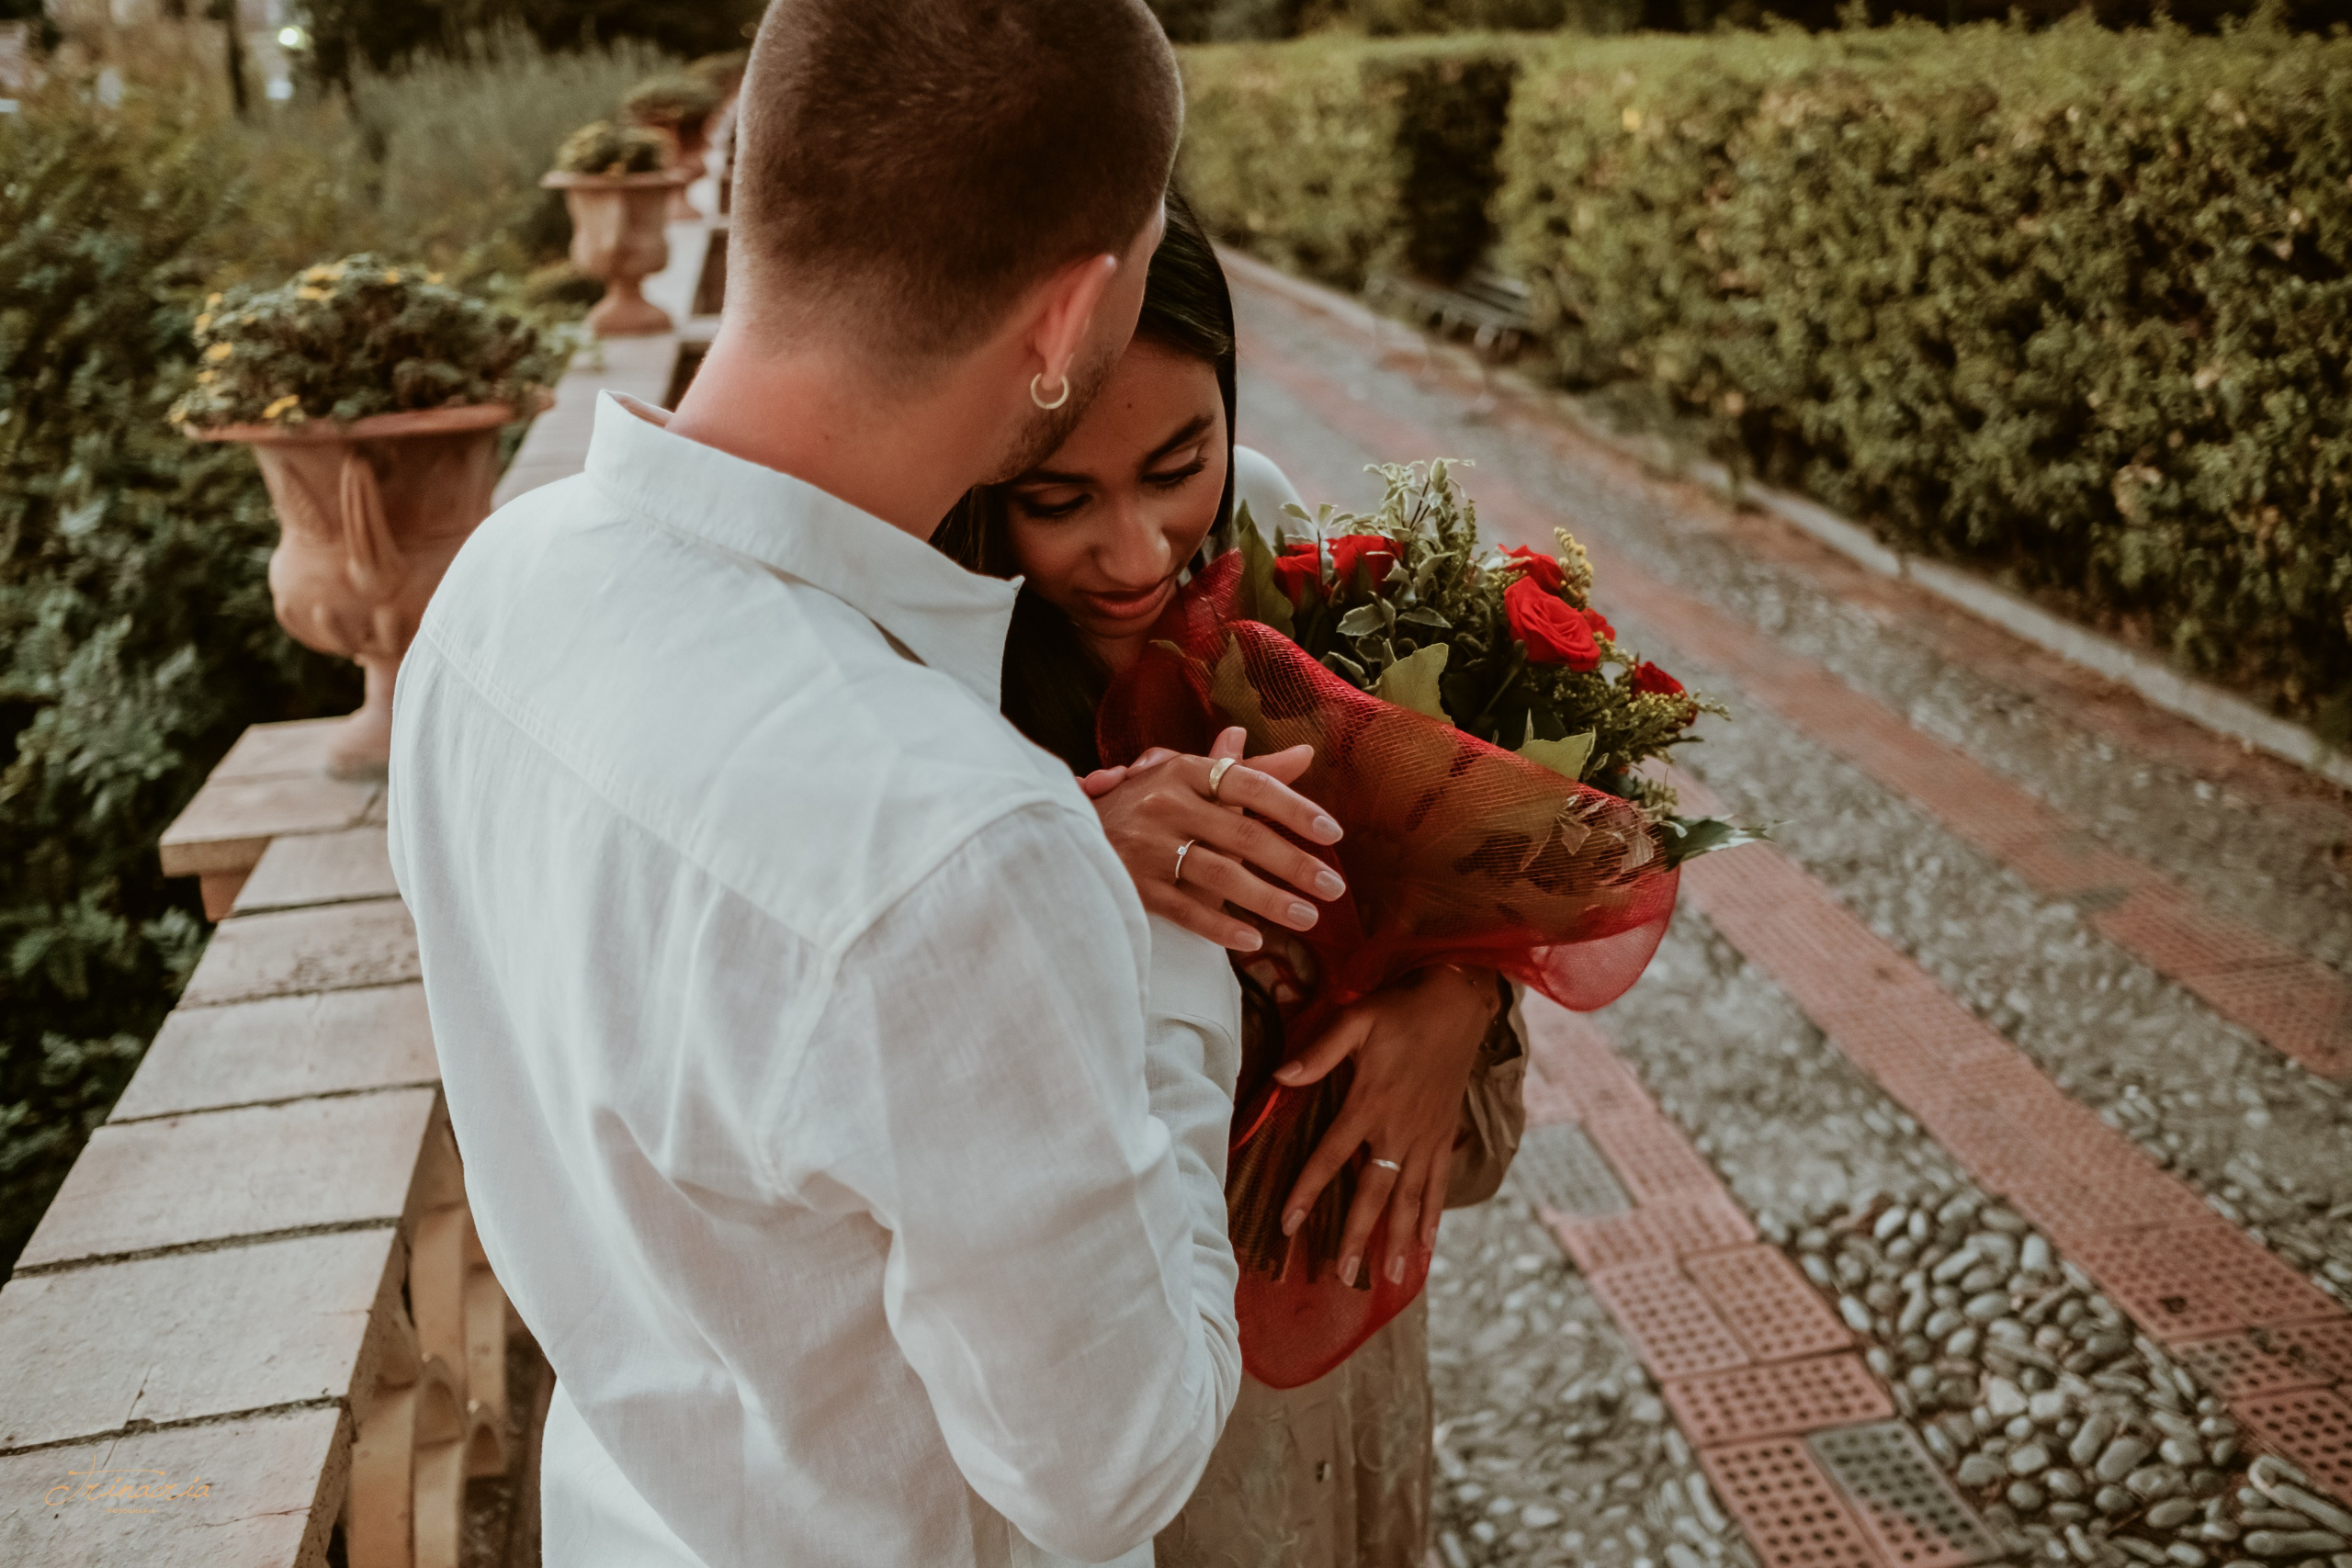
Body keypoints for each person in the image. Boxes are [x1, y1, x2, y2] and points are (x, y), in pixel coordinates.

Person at [387, 6, 1348, 1566]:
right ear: (1070, 319)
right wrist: (1162, 947)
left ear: (759, 178)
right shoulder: (955, 846)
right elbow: (1111, 1470)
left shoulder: (498, 591)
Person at [934, 196, 1528, 1568]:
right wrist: (1067, 834)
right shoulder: (921, 651)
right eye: (1057, 498)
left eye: (1176, 462)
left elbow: (1427, 846)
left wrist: (1463, 992)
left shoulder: (1262, 533)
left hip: (1343, 1291)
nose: (1138, 554)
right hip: (1129, 1355)